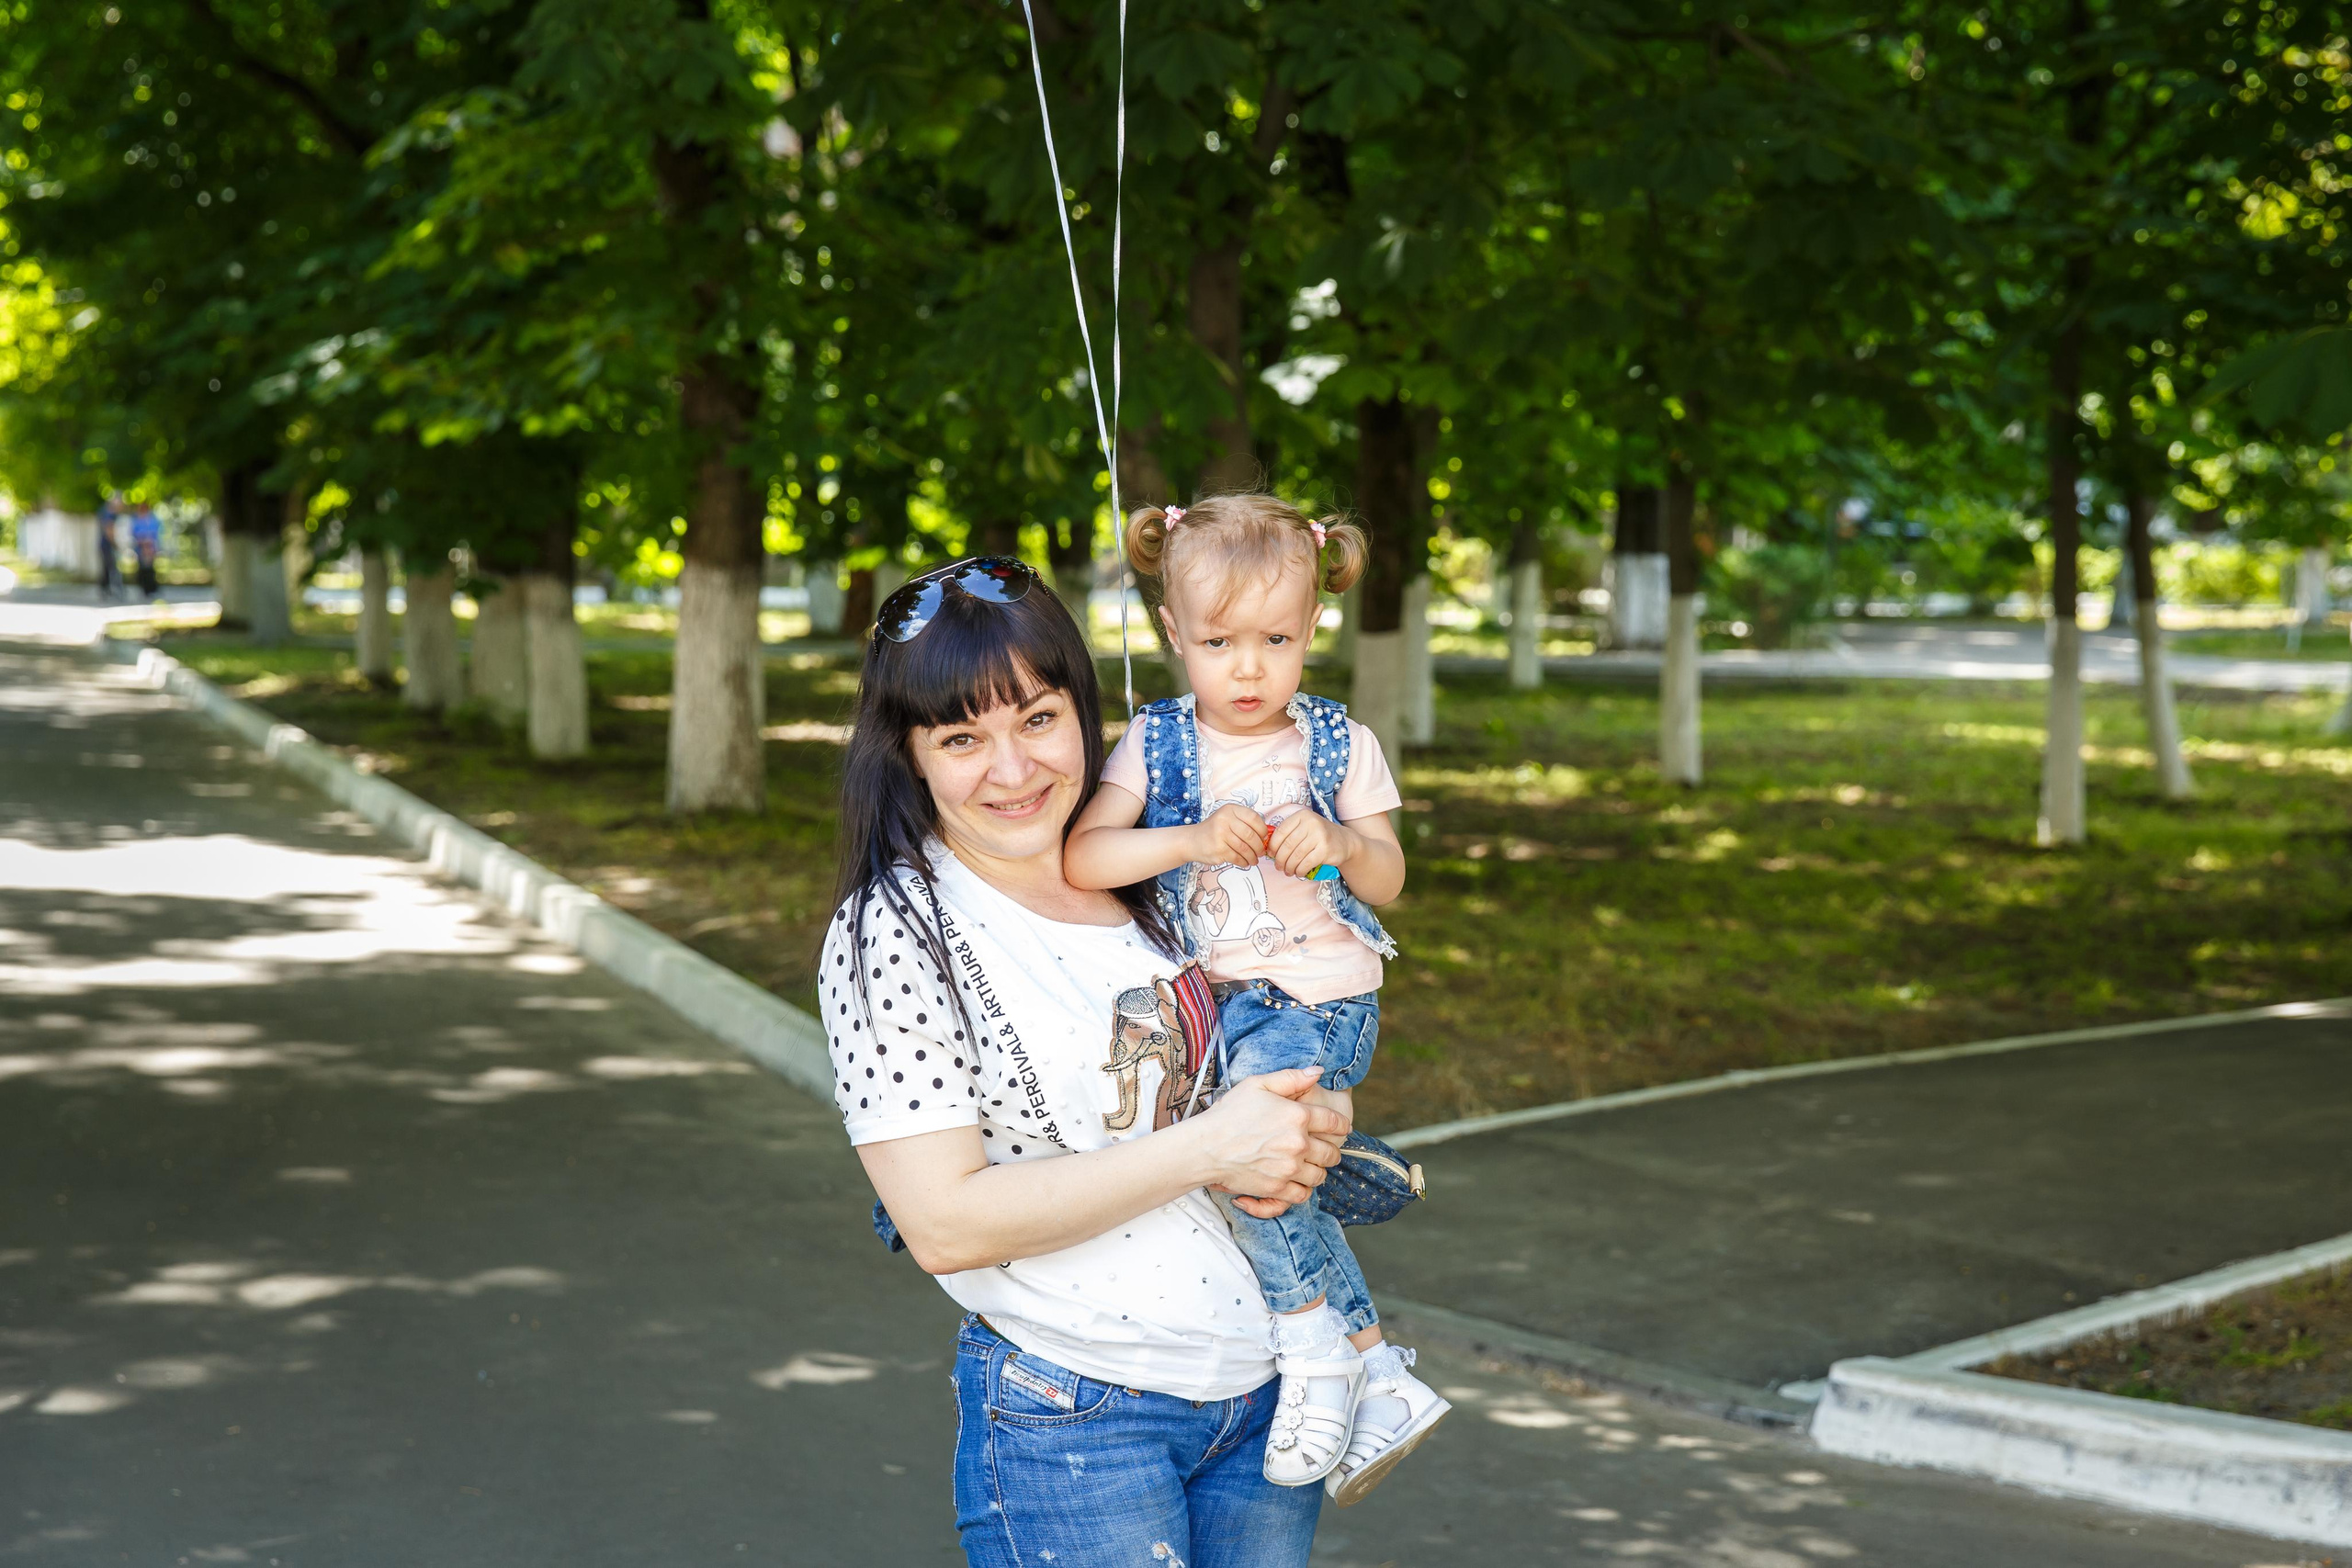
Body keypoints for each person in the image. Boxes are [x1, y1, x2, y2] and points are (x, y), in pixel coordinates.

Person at [820, 555, 1354, 1568]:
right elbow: (943, 1224)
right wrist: (1216, 1147)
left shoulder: (1150, 865)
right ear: (910, 754)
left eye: (1038, 719)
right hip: (1079, 1412)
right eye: (962, 738)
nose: (1013, 769)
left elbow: (1259, 1053)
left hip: (1261, 1399)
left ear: (1083, 712)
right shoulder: (896, 929)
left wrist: (1309, 1117)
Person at [1065, 494, 1450, 1503]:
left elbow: (1388, 878)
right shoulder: (1156, 743)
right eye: (1219, 642)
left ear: (1312, 627)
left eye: (1276, 640)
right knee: (1270, 1171)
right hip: (1219, 1011)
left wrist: (1343, 844)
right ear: (1171, 631)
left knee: (1255, 1167)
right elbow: (1086, 856)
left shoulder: (1338, 743)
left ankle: (1313, 1347)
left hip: (1320, 998)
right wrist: (1193, 838)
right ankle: (1377, 1370)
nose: (1248, 669)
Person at [130, 504, 164, 601]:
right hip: (141, 547)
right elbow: (134, 533)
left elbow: (157, 532)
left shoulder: (152, 520)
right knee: (142, 569)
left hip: (151, 547)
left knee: (151, 569)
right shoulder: (136, 520)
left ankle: (152, 589)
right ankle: (144, 589)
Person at [94, 497, 123, 601]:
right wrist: (115, 544)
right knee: (112, 568)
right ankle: (115, 590)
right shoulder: (110, 514)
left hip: (104, 545)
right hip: (107, 546)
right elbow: (109, 530)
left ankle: (106, 589)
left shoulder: (104, 512)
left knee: (107, 569)